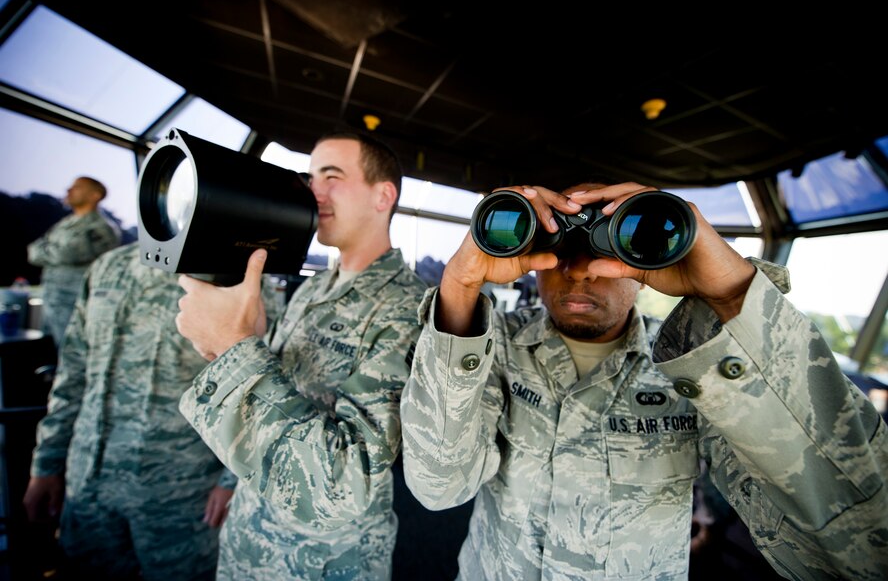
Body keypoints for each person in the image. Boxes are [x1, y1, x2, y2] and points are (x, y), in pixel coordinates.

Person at [400, 182, 888, 580]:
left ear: (643, 265)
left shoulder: (696, 367)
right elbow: (439, 487)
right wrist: (459, 292)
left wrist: (734, 298)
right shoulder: (494, 342)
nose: (579, 273)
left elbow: (853, 551)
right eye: (559, 248)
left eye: (601, 246)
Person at [175, 131, 427, 579]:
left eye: (332, 176)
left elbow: (346, 480)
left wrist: (231, 350)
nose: (314, 191)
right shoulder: (313, 286)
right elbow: (274, 377)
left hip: (326, 559)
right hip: (250, 540)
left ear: (382, 195)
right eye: (310, 178)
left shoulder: (409, 307)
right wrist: (232, 479)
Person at [23, 242, 244, 580]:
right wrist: (46, 464)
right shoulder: (107, 266)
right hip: (90, 484)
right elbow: (73, 372)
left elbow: (247, 380)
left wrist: (231, 481)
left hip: (179, 494)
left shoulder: (227, 270)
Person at [27, 176, 121, 346]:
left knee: (73, 352)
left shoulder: (102, 227)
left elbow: (67, 254)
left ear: (95, 195)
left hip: (76, 303)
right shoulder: (65, 223)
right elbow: (33, 251)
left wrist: (47, 251)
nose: (69, 190)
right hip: (51, 298)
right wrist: (49, 251)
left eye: (77, 187)